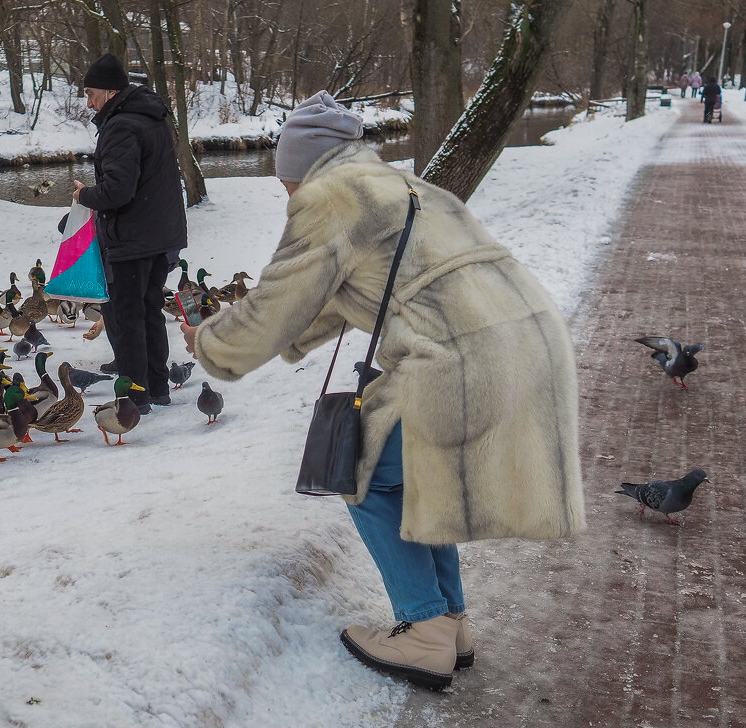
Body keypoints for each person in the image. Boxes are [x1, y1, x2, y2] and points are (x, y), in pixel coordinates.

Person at [179, 91, 585, 690]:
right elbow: (348, 290)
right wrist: (286, 338)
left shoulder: (327, 197)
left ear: (300, 170)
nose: (285, 195)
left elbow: (278, 302)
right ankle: (451, 621)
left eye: (284, 182)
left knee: (363, 474)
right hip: (529, 341)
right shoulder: (405, 187)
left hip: (461, 356)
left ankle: (424, 631)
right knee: (422, 475)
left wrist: (210, 343)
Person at [73, 53, 187, 415]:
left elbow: (118, 191)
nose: (88, 102)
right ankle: (157, 387)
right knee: (149, 310)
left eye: (91, 93)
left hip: (133, 238)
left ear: (109, 91)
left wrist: (84, 195)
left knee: (127, 317)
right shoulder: (150, 119)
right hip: (159, 233)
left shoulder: (121, 126)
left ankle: (135, 396)